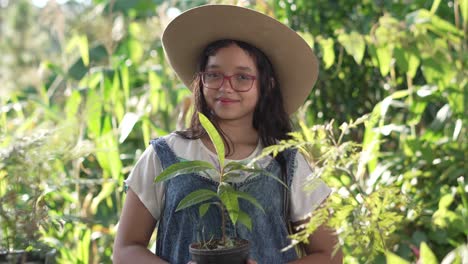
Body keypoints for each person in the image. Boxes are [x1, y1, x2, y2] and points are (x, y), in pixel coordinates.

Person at [113, 4, 343, 264]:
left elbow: (330, 255)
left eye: (243, 78)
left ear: (266, 85)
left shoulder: (286, 162)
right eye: (214, 75)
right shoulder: (164, 156)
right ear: (201, 80)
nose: (227, 87)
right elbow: (125, 249)